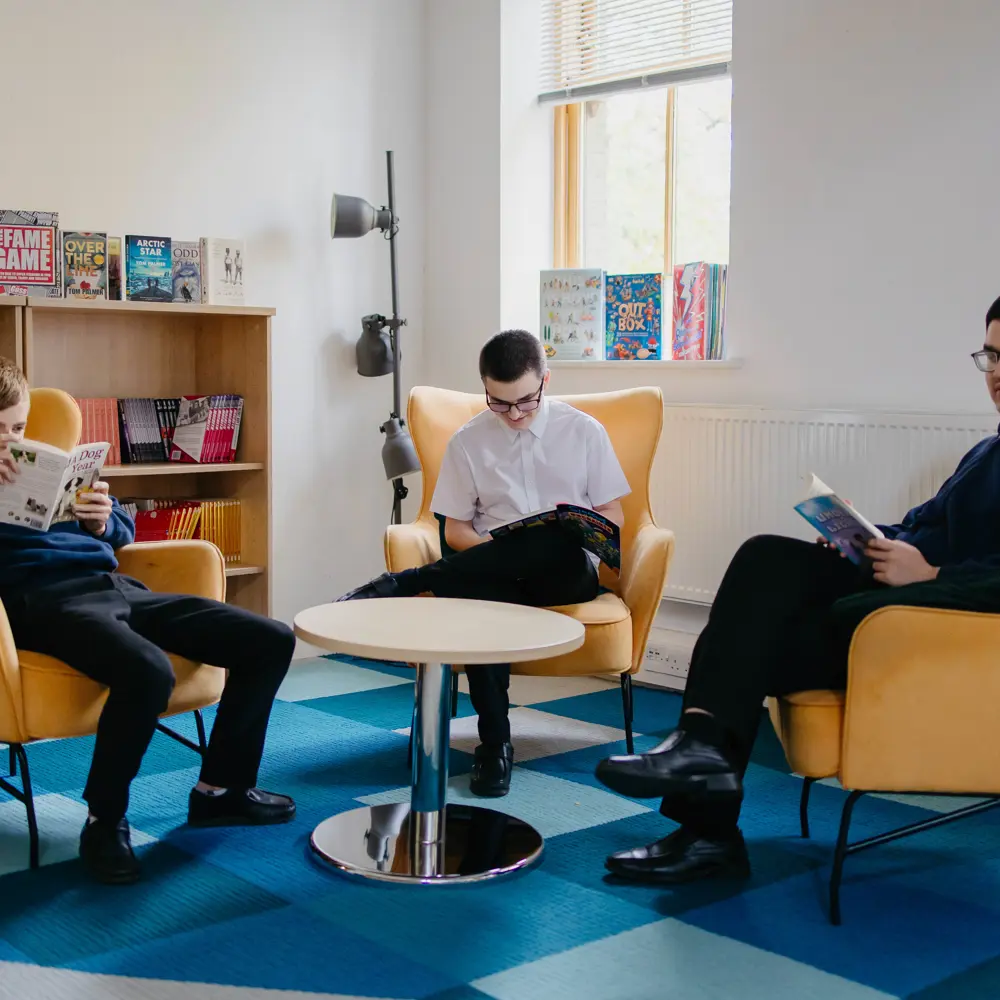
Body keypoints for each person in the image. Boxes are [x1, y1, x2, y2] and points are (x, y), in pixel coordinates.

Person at [596, 294, 1000, 885]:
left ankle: (707, 817)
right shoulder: (988, 451)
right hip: (894, 615)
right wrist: (862, 536)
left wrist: (932, 576)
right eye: (990, 357)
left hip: (933, 640)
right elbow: (925, 529)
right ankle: (704, 787)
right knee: (762, 569)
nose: (995, 375)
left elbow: (954, 565)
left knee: (742, 638)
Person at [0, 359, 296, 885]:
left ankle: (220, 791)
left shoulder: (46, 466)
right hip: (43, 604)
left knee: (269, 639)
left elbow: (122, 534)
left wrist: (102, 517)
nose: (10, 440)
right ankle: (104, 820)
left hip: (116, 587)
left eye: (17, 428)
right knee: (148, 671)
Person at [338, 329, 630, 797]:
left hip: (564, 574)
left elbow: (613, 514)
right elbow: (454, 531)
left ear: (545, 382)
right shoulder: (468, 441)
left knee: (553, 536)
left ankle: (409, 582)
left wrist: (577, 530)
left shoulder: (583, 432)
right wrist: (498, 555)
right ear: (485, 388)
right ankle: (495, 746)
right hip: (492, 575)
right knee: (480, 597)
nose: (514, 415)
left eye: (525, 402)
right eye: (500, 403)